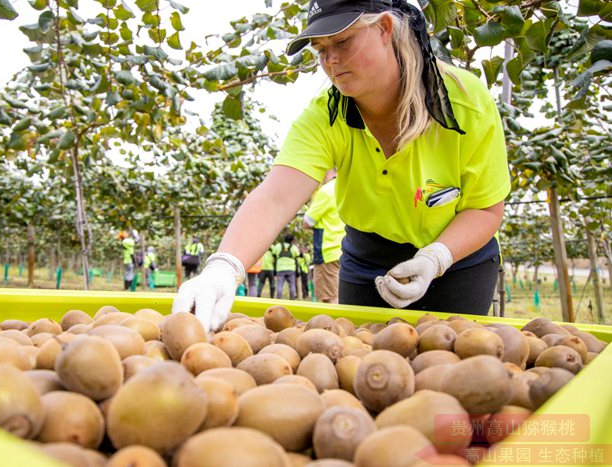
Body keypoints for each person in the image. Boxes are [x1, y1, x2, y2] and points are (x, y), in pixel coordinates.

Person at [172, 0, 510, 331]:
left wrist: (435, 258)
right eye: (320, 49)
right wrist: (224, 266)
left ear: (384, 29)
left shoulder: (466, 104)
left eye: (342, 41)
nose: (330, 60)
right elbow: (275, 197)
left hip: (458, 261)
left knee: (457, 365)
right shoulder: (326, 116)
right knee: (361, 362)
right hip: (367, 263)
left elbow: (485, 209)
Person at [303, 168, 345, 303]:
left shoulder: (326, 191)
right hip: (346, 250)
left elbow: (308, 221)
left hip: (327, 251)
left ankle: (334, 325)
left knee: (330, 298)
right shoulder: (346, 187)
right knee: (341, 294)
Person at [272, 234, 301, 300]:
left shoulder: (278, 246)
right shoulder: (294, 247)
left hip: (280, 268)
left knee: (280, 285)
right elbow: (298, 255)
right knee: (292, 285)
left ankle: (279, 299)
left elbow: (274, 254)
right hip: (291, 269)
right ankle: (292, 299)